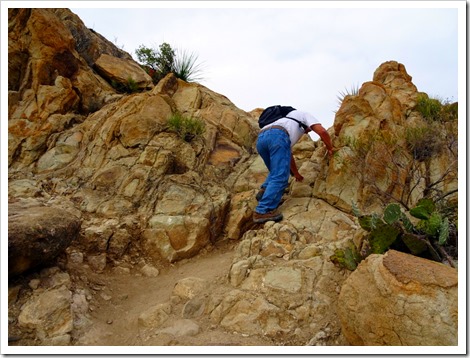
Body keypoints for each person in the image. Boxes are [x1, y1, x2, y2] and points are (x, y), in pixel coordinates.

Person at [253, 108, 335, 224]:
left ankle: (265, 190)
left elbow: (287, 155)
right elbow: (321, 131)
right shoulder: (304, 114)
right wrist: (330, 147)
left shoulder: (284, 121)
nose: (308, 132)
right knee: (280, 177)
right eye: (309, 129)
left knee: (275, 170)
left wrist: (296, 173)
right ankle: (262, 211)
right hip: (277, 136)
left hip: (261, 138)